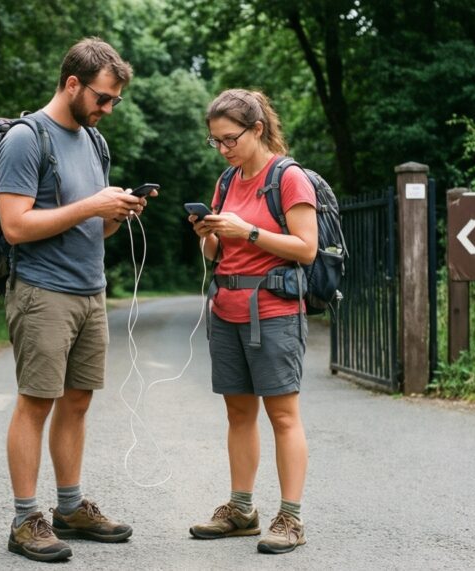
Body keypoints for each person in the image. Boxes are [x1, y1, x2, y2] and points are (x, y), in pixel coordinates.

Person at [0, 37, 154, 563]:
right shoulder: (26, 138)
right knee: (36, 401)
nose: (108, 110)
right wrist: (91, 204)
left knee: (78, 401)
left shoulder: (93, 142)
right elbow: (15, 226)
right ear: (72, 84)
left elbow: (90, 227)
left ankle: (69, 508)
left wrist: (115, 213)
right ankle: (24, 520)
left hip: (90, 291)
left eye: (115, 102)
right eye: (103, 99)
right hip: (42, 292)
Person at [187, 88, 318, 555]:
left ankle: (291, 518)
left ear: (257, 129)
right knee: (238, 413)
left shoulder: (288, 178)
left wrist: (250, 231)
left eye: (229, 139)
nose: (223, 149)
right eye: (215, 142)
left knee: (283, 415)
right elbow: (216, 254)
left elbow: (306, 248)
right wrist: (209, 235)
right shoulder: (226, 181)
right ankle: (241, 510)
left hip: (275, 313)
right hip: (226, 310)